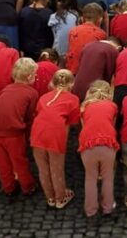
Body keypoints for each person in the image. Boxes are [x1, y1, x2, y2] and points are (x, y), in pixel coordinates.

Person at [32, 69, 80, 209]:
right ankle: (60, 197)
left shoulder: (44, 97)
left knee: (43, 168)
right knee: (56, 168)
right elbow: (74, 122)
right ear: (71, 84)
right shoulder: (73, 99)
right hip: (56, 135)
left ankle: (50, 197)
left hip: (37, 133)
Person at [0, 58, 39, 197]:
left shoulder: (5, 89)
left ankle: (9, 188)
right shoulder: (32, 93)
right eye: (35, 75)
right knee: (19, 162)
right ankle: (28, 186)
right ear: (30, 77)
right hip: (14, 133)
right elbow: (30, 117)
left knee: (2, 164)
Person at [79, 80, 120, 217]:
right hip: (107, 142)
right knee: (108, 177)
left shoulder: (84, 107)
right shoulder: (113, 106)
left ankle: (90, 210)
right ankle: (108, 207)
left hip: (88, 143)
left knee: (90, 178)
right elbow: (112, 126)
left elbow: (84, 126)